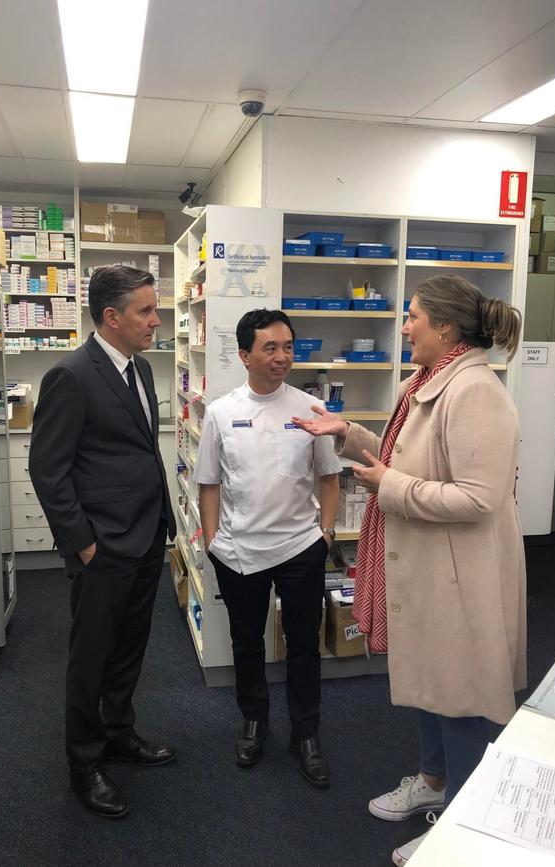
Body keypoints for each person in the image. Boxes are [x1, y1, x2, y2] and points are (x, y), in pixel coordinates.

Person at [292, 275, 526, 865]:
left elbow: (479, 498)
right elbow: (403, 457)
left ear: (445, 328)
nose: (403, 326)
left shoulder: (474, 391)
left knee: (461, 697)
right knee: (431, 685)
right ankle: (434, 781)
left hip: (460, 576)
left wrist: (389, 486)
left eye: (413, 316)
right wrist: (348, 435)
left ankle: (465, 824)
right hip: (429, 567)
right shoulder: (424, 383)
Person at [28, 265, 177, 819]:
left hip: (144, 538)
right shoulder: (71, 374)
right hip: (103, 548)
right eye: (145, 311)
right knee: (90, 659)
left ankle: (119, 733)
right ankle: (84, 764)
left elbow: (136, 451)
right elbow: (48, 470)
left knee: (128, 650)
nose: (155, 320)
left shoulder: (137, 368)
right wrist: (82, 545)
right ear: (111, 317)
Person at [194, 308, 341, 788]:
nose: (282, 357)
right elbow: (210, 482)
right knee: (247, 642)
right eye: (270, 348)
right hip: (238, 550)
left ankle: (307, 734)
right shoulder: (221, 412)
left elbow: (329, 476)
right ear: (244, 355)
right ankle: (254, 722)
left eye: (288, 348)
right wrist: (214, 540)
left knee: (304, 645)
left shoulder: (310, 409)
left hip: (301, 546)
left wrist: (327, 533)